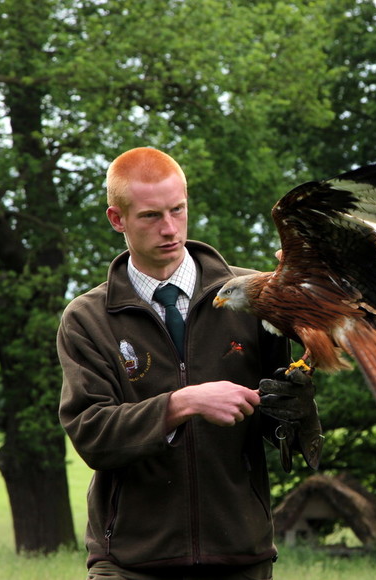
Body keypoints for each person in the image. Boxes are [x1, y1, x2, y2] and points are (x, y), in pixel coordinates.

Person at [57, 147, 322, 580]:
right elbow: (93, 436)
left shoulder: (257, 296)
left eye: (177, 210)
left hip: (239, 558)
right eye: (150, 216)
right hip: (130, 564)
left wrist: (298, 413)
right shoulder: (89, 319)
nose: (169, 228)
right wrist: (182, 404)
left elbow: (283, 435)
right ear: (116, 219)